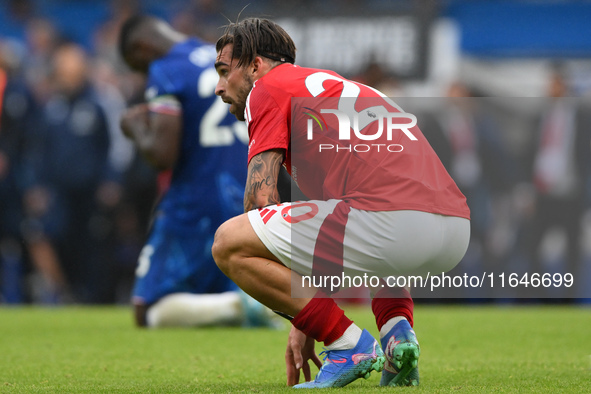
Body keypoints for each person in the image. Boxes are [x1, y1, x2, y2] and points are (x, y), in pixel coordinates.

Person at [211, 18, 471, 388]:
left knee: (229, 243)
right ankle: (399, 338)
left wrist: (309, 315)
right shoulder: (341, 87)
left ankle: (348, 345)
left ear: (255, 66)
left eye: (224, 71)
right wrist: (309, 314)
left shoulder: (266, 89)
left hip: (393, 222)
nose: (220, 87)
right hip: (454, 229)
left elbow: (260, 201)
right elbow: (330, 236)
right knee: (368, 229)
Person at [118, 15, 277, 328]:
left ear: (142, 48)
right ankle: (248, 303)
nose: (143, 75)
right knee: (232, 276)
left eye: (138, 67)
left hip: (195, 197)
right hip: (246, 191)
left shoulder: (167, 69)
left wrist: (136, 129)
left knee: (146, 308)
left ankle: (237, 305)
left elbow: (163, 155)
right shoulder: (219, 56)